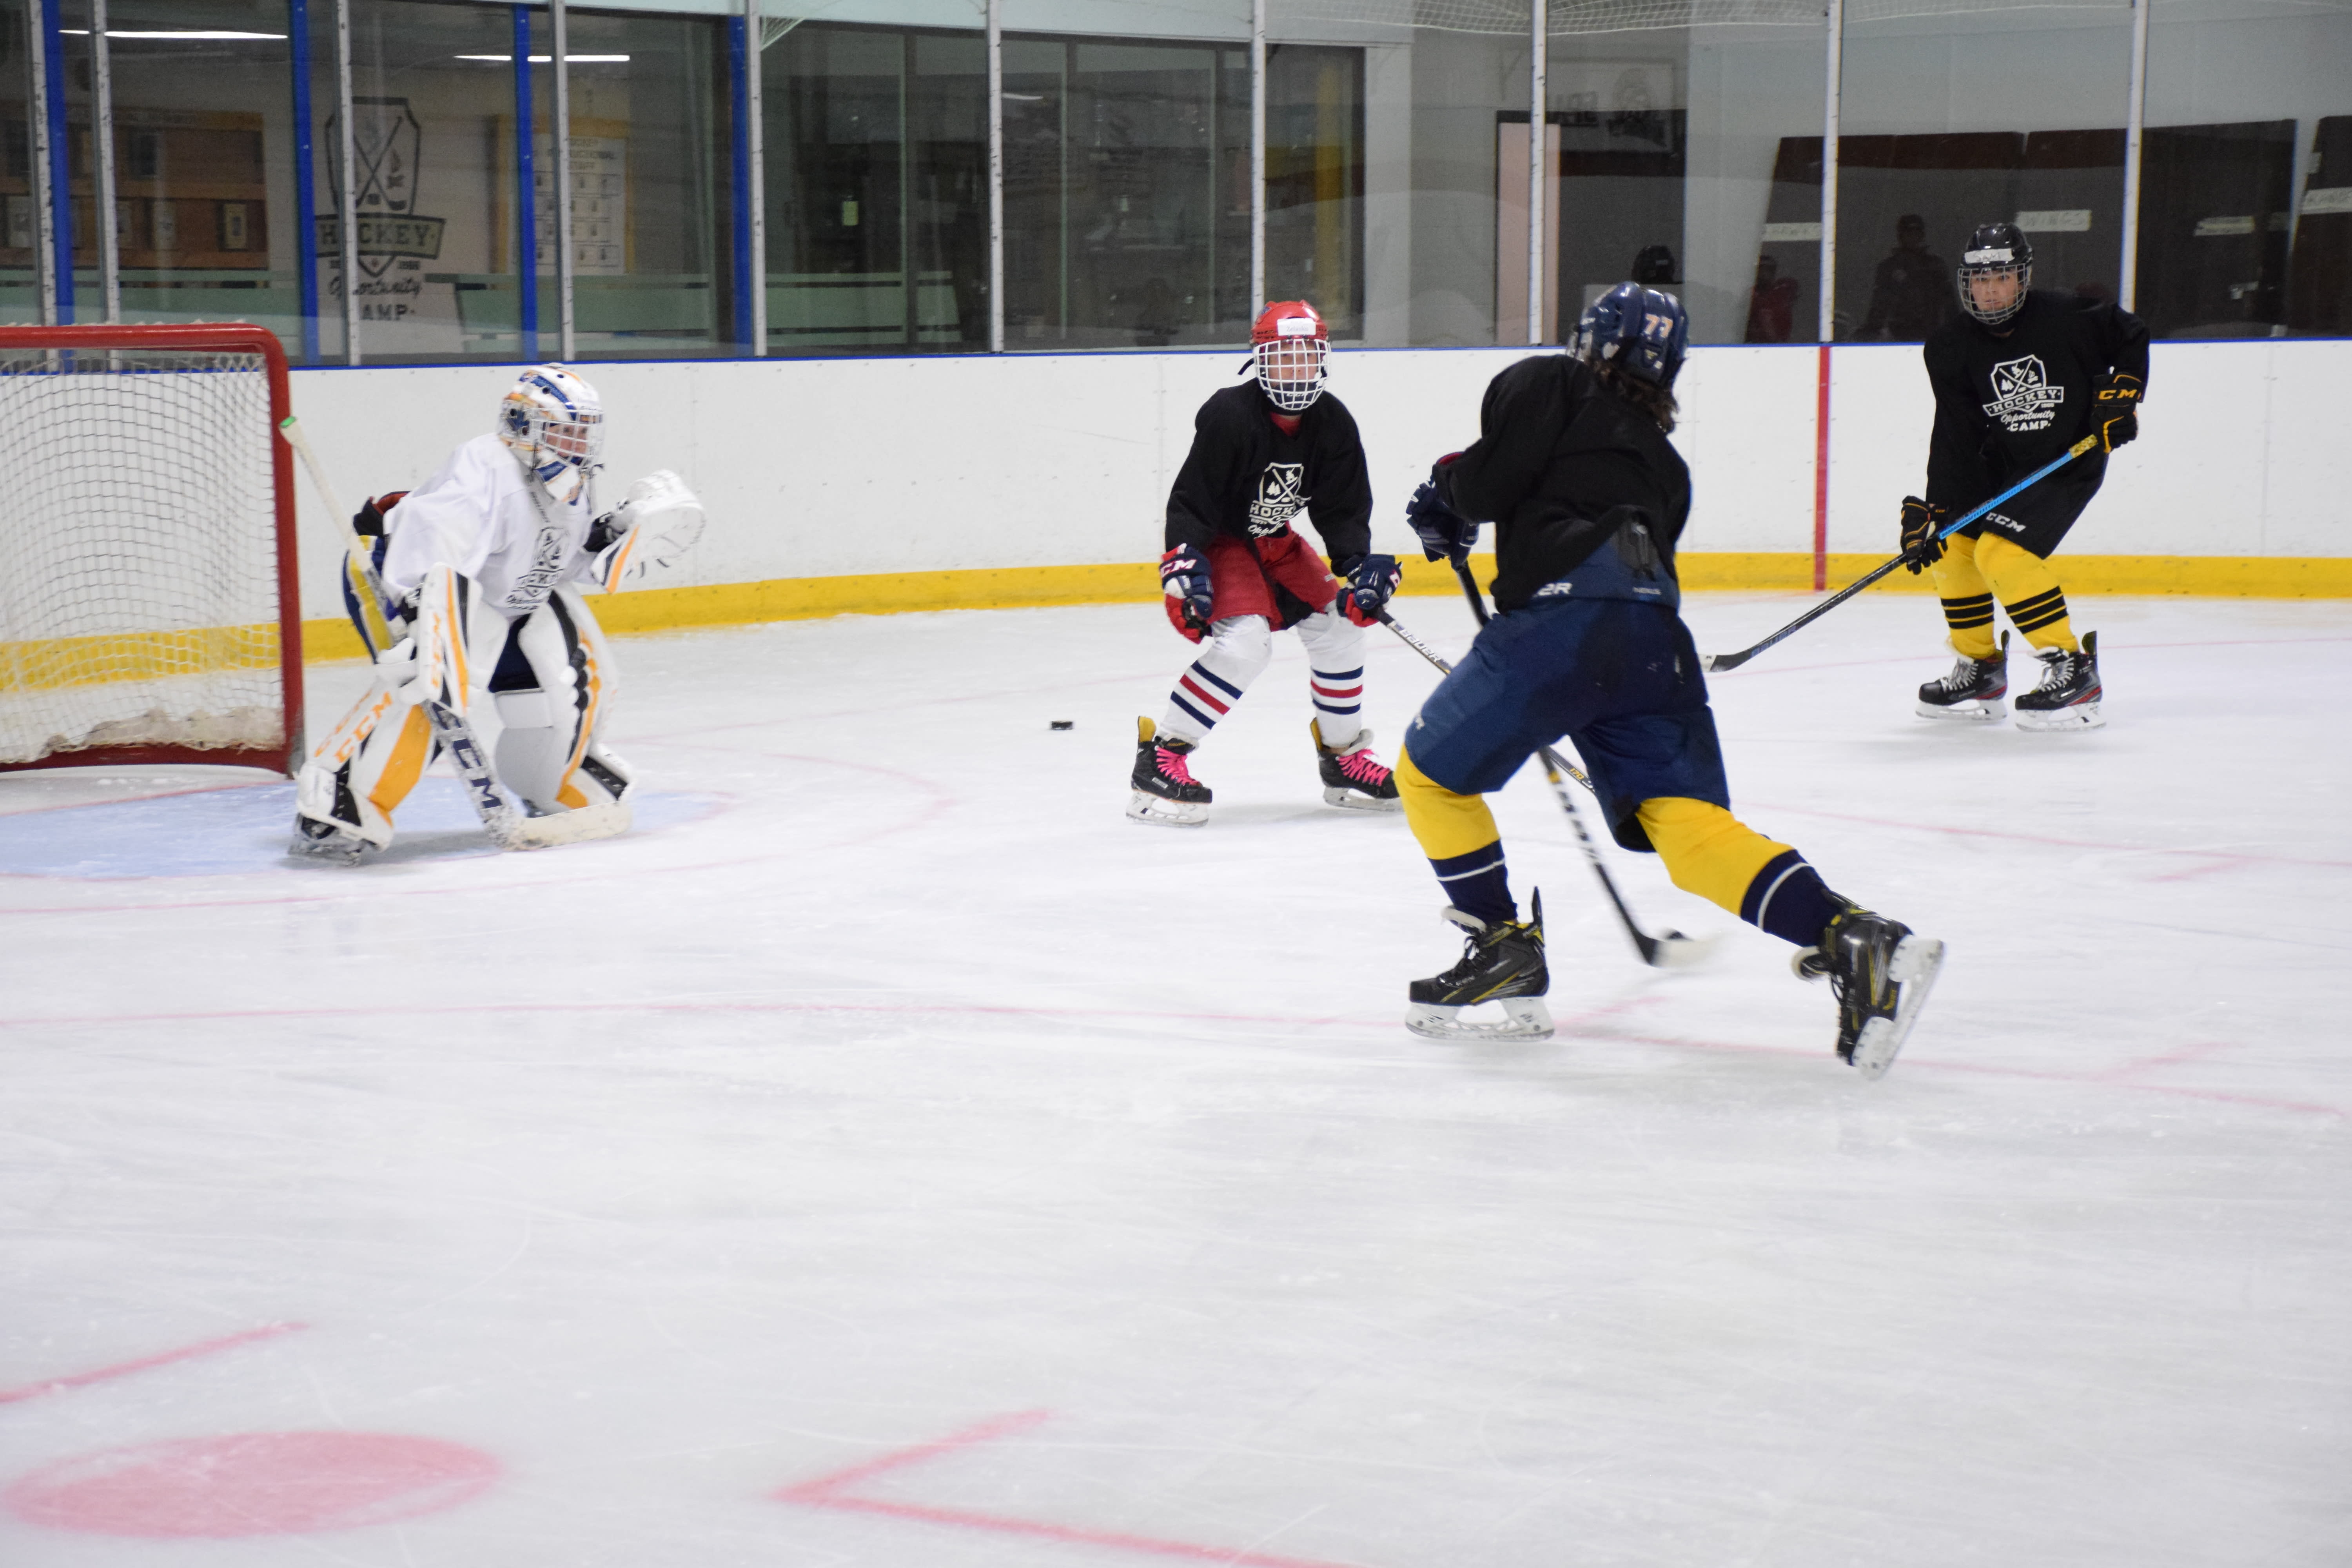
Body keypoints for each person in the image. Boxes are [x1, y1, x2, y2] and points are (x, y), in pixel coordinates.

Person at [1392, 283, 1944, 1077]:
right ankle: (1855, 939)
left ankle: (1502, 943)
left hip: (1560, 627)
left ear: (1591, 339)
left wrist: (1446, 494)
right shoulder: (1668, 463)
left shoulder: (1548, 380)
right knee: (1687, 832)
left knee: (1430, 777)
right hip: (1657, 639)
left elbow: (1488, 483)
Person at [292, 365, 704, 860]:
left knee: (572, 671)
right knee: (432, 683)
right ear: (523, 425)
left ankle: (554, 779)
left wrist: (609, 537)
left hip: (496, 595)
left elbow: (554, 558)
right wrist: (422, 622)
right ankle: (339, 804)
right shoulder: (485, 469)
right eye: (566, 431)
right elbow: (434, 547)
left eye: (583, 433)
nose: (578, 444)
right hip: (401, 575)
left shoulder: (565, 482)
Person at [1129, 300, 1403, 826]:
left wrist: (1360, 567)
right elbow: (1194, 498)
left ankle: (1343, 757)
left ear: (1321, 359)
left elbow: (1342, 508)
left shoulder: (1333, 422)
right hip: (1225, 542)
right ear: (1259, 362)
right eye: (1282, 358)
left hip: (1276, 541)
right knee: (1244, 645)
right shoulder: (1231, 415)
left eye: (1305, 356)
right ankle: (1161, 756)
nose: (1295, 369)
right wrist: (1184, 562)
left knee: (1342, 626)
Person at [1904, 222, 2148, 730]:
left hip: (2068, 459)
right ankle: (1981, 670)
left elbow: (2130, 335)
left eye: (2001, 277)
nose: (1990, 289)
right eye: (1979, 279)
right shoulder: (1950, 346)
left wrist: (2122, 394)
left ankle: (2073, 669)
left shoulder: (2069, 316)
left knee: (2003, 552)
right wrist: (1936, 509)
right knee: (1951, 546)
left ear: (2023, 278)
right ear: (1964, 284)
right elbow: (1955, 434)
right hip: (2006, 467)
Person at [1857, 214, 1950, 341]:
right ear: (1901, 236)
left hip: (1931, 336)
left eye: (1917, 232)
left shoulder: (1935, 267)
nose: (1913, 237)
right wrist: (1871, 331)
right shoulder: (1889, 268)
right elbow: (1880, 306)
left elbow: (1949, 304)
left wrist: (1954, 332)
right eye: (1909, 233)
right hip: (1899, 339)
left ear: (1922, 235)